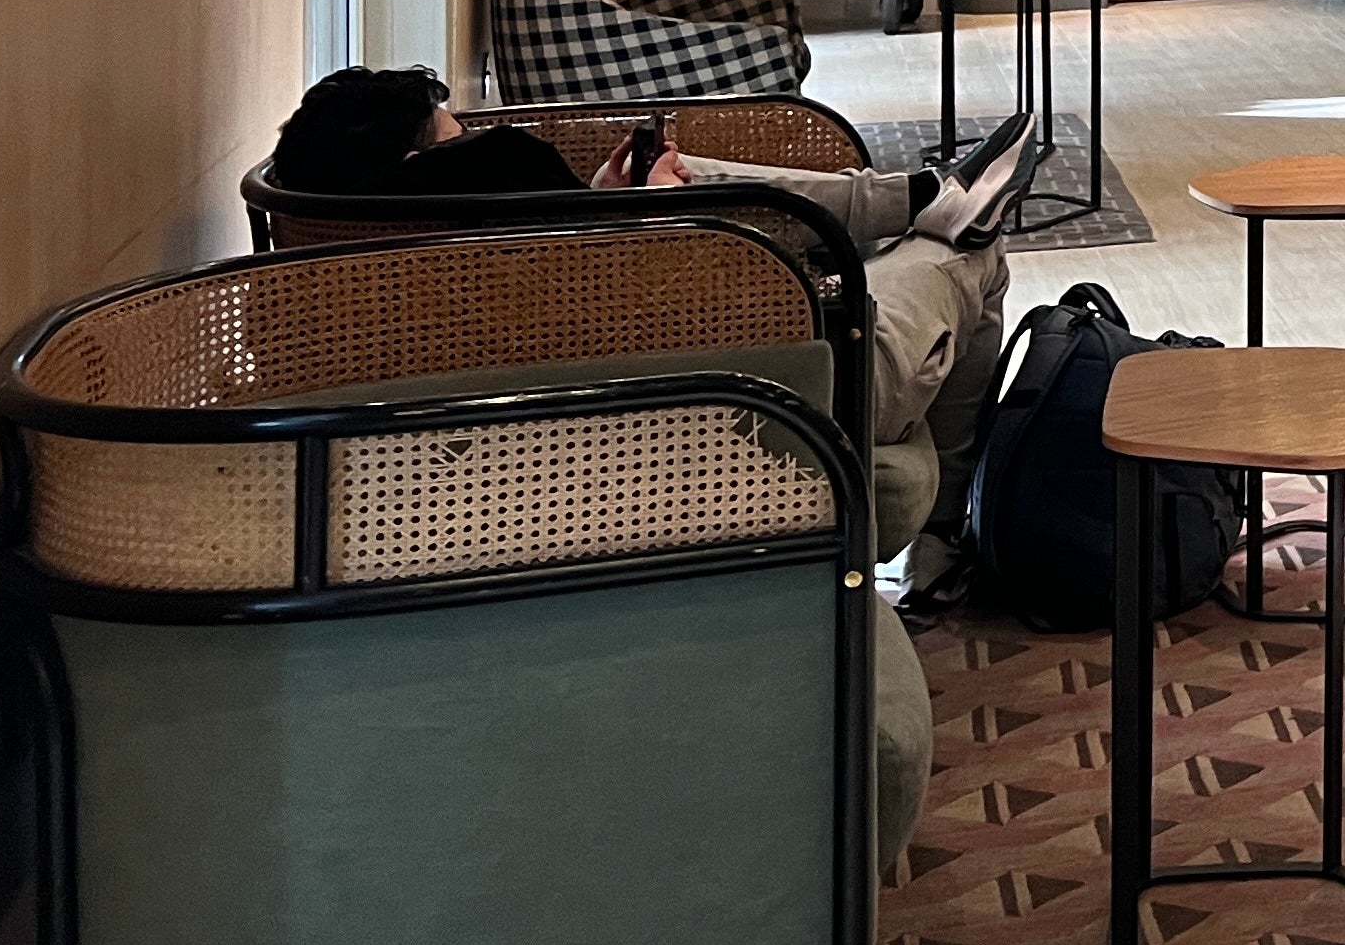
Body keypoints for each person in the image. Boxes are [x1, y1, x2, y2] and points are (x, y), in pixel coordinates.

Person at [267, 67, 1040, 575]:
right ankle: (945, 544)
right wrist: (656, 227)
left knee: (681, 176)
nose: (472, 140)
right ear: (424, 169)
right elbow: (711, 316)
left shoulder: (380, 291)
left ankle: (921, 198)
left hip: (710, 390)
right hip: (791, 400)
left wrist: (610, 212)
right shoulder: (521, 254)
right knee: (972, 251)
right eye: (455, 138)